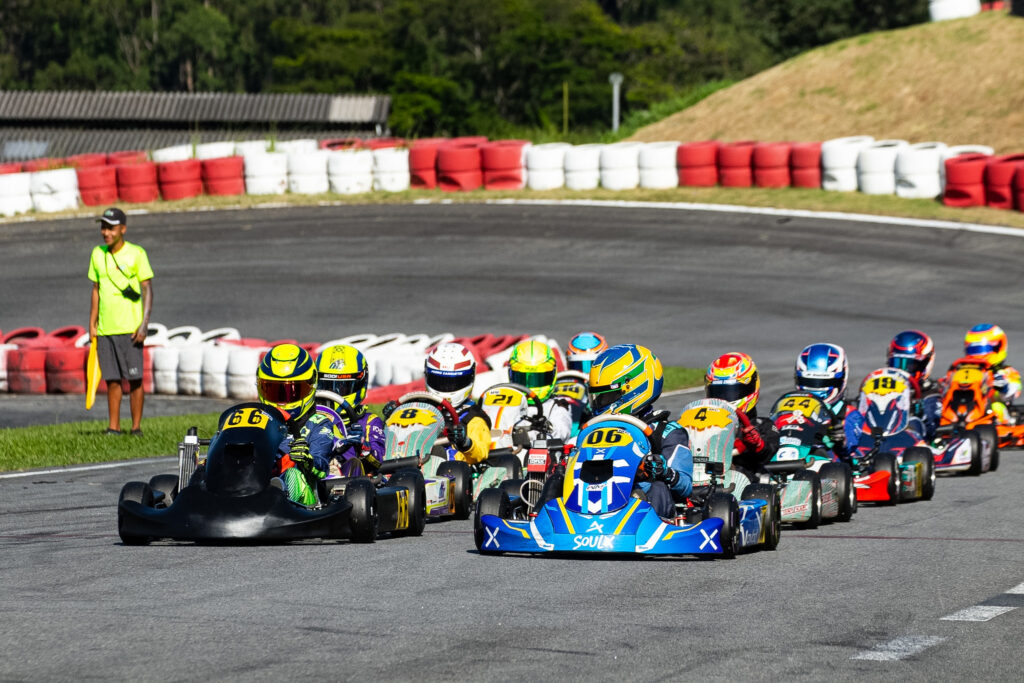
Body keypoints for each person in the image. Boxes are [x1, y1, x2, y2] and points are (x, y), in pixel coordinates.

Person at [588, 344, 693, 519]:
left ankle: (643, 528)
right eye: (597, 397)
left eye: (606, 396)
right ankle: (537, 520)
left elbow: (685, 485)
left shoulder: (666, 432)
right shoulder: (594, 431)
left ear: (633, 388)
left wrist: (663, 470)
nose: (600, 402)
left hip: (642, 504)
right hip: (595, 494)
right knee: (558, 475)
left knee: (658, 488)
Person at [87, 207, 153, 436]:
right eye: (103, 227)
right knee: (112, 380)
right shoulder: (97, 254)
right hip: (106, 329)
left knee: (134, 379)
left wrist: (144, 324)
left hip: (131, 329)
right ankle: (113, 427)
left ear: (122, 229)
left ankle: (136, 428)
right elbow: (96, 290)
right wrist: (92, 323)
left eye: (111, 228)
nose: (106, 232)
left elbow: (147, 290)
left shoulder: (137, 254)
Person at [385, 342, 492, 465]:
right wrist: (392, 416)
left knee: (438, 451)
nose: (446, 387)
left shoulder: (473, 417)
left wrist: (465, 442)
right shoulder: (416, 404)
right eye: (440, 381)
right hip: (407, 457)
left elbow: (481, 453)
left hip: (450, 471)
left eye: (453, 382)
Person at [256, 343, 332, 506]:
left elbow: (322, 467)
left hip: (302, 498)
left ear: (310, 385)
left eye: (291, 392)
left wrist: (307, 460)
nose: (282, 401)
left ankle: (277, 492)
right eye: (274, 391)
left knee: (292, 476)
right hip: (255, 483)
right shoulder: (256, 420)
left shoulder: (318, 424)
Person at [315, 344, 385, 476]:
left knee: (354, 463)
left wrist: (362, 446)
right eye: (328, 386)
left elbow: (378, 461)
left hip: (352, 486)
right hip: (314, 474)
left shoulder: (369, 422)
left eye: (342, 387)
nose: (334, 393)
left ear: (360, 384)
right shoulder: (311, 418)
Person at [705, 352, 779, 475]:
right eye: (719, 393)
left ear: (751, 386)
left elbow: (767, 452)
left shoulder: (762, 426)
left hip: (745, 483)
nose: (725, 400)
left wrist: (756, 444)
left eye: (733, 391)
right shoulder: (704, 424)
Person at [507, 339, 573, 442]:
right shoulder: (505, 402)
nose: (529, 388)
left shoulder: (557, 405)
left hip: (543, 454)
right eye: (523, 379)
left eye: (538, 379)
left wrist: (547, 427)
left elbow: (563, 432)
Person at [794, 342, 852, 455]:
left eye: (825, 382)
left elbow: (853, 450)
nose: (816, 388)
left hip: (830, 467)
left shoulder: (849, 415)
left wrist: (841, 440)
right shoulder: (791, 408)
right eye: (809, 382)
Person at [886, 330, 942, 441]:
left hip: (912, 444)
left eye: (910, 366)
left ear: (925, 363)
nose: (902, 371)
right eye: (897, 364)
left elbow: (931, 426)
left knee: (914, 422)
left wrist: (917, 410)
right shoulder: (884, 387)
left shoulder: (930, 393)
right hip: (880, 435)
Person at [964, 324, 1022, 423]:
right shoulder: (964, 370)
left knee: (996, 407)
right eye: (974, 350)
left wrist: (1002, 386)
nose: (978, 355)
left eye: (983, 349)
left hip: (992, 416)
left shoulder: (1007, 372)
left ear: (998, 347)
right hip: (968, 408)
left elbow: (1013, 391)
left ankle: (1002, 428)